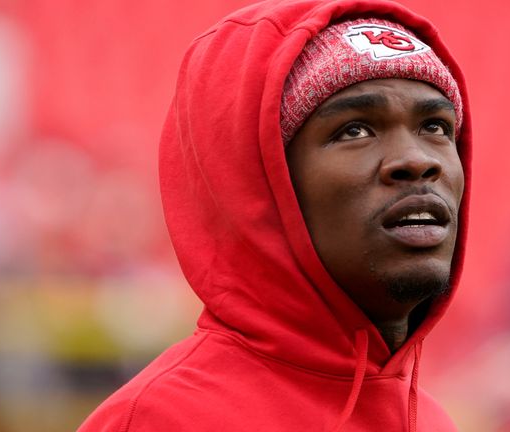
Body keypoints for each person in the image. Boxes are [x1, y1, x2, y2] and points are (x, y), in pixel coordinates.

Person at [79, 0, 471, 430]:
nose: (417, 161)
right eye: (354, 130)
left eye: (434, 126)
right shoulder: (158, 420)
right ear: (262, 185)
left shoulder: (433, 421)